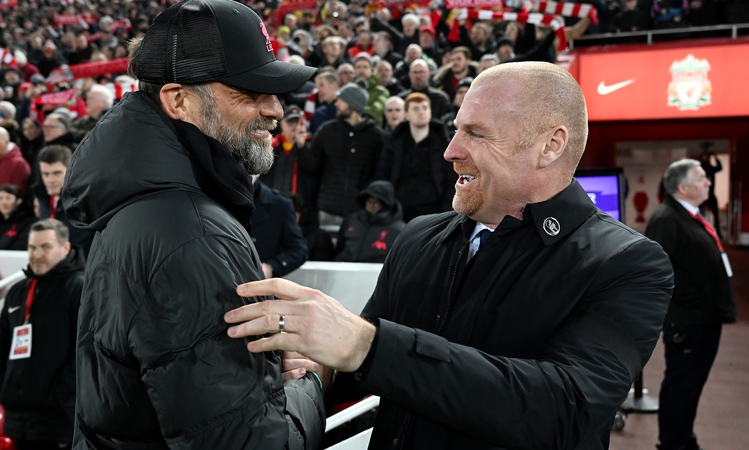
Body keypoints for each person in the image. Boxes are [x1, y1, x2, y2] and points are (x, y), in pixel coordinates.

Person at [225, 62, 675, 449]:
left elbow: (564, 410)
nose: (450, 151)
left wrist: (363, 344)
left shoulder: (628, 263)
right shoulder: (419, 236)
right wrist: (317, 365)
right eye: (456, 129)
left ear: (551, 146)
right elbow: (365, 367)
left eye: (476, 134)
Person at [61, 0, 325, 448]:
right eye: (249, 91)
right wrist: (315, 383)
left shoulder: (147, 205)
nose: (276, 109)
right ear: (179, 100)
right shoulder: (193, 234)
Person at [645, 158, 736, 450]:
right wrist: (696, 301)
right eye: (701, 179)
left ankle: (685, 438)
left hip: (703, 318)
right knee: (681, 387)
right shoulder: (666, 220)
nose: (708, 182)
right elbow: (660, 273)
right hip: (689, 321)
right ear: (682, 187)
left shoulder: (693, 214)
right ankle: (672, 443)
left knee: (692, 386)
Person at [0, 219, 85, 449]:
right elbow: (1, 342)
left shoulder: (79, 288)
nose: (37, 254)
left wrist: (59, 394)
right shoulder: (18, 291)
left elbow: (84, 350)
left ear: (65, 248)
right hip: (17, 415)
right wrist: (2, 386)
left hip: (57, 418)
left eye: (46, 247)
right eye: (32, 247)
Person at [309, 82, 384, 226]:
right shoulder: (327, 130)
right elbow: (313, 166)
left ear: (353, 104)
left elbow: (379, 173)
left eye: (341, 100)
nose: (336, 104)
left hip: (358, 212)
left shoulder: (376, 137)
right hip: (327, 208)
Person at [375, 92, 454, 222]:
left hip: (433, 210)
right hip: (398, 210)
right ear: (406, 114)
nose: (421, 112)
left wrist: (444, 214)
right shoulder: (394, 142)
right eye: (415, 109)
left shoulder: (444, 143)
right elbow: (383, 173)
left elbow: (450, 180)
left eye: (425, 108)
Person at [34, 145, 94, 257]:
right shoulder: (42, 197)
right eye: (45, 174)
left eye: (57, 173)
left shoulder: (85, 200)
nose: (50, 180)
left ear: (70, 170)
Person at [251, 176, 309, 278]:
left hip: (258, 285)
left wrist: (271, 266)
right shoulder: (216, 198)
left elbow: (299, 251)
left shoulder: (280, 204)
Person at [334, 180, 405, 263]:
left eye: (376, 203)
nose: (371, 207)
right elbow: (339, 248)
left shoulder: (399, 230)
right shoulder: (351, 220)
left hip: (377, 272)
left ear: (385, 205)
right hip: (344, 268)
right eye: (368, 202)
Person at [0, 184, 38, 250]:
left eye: (8, 198)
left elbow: (20, 246)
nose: (4, 202)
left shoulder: (27, 222)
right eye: (0, 198)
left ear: (18, 201)